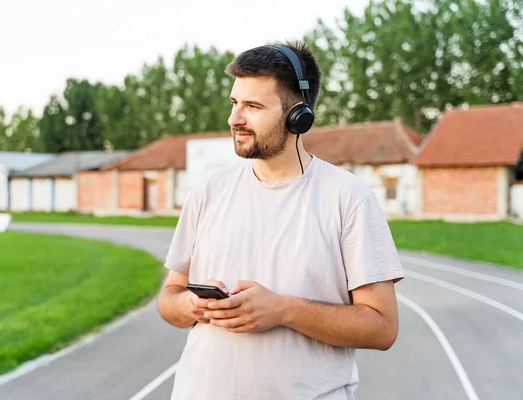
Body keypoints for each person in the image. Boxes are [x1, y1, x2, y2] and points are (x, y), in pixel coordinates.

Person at [156, 40, 404, 400]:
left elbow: (382, 328)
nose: (234, 119)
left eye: (253, 106)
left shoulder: (348, 198)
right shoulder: (207, 191)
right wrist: (189, 305)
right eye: (234, 103)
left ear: (297, 115)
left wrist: (283, 310)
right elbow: (169, 297)